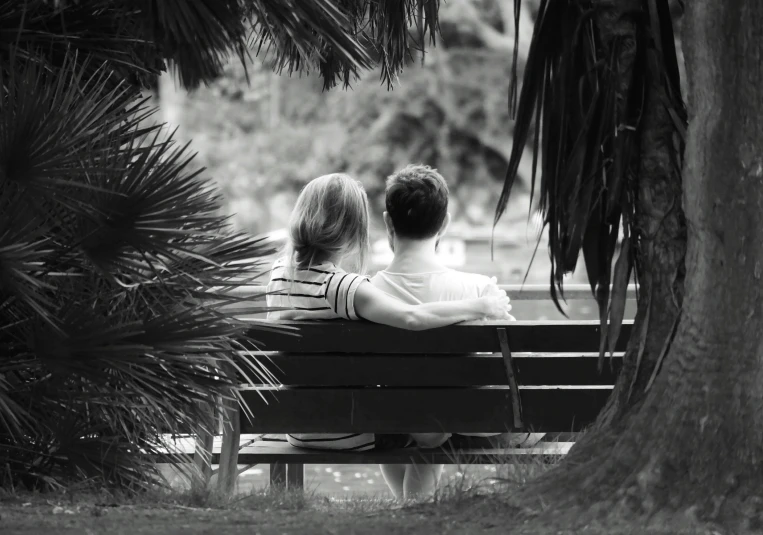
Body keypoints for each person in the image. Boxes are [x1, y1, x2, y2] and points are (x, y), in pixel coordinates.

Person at [266, 173, 512, 454]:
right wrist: (480, 306)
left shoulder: (278, 272)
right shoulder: (343, 288)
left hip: (296, 425)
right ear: (355, 230)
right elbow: (412, 318)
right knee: (422, 419)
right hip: (350, 431)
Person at [371, 164, 517, 500]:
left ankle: (410, 510)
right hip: (461, 420)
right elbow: (510, 362)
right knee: (438, 411)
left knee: (411, 415)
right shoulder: (478, 290)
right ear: (446, 223)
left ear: (388, 223)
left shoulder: (365, 292)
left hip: (388, 419)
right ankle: (413, 511)